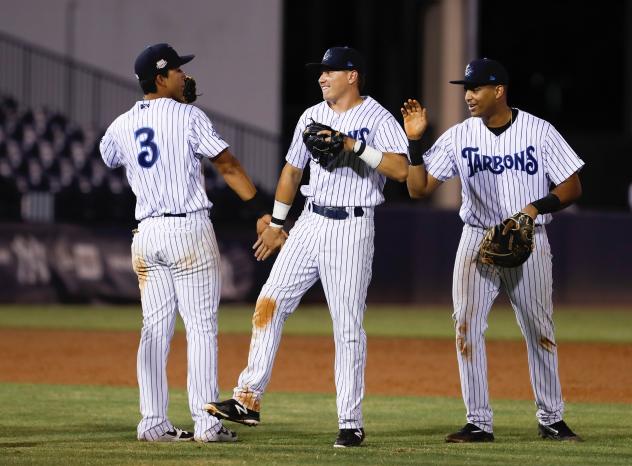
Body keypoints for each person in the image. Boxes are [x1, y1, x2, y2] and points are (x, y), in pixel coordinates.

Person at [204, 46, 409, 448]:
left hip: (352, 225)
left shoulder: (378, 117)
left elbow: (401, 170)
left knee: (347, 328)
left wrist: (353, 145)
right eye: (320, 72)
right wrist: (278, 223)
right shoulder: (311, 115)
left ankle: (350, 422)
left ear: (352, 75)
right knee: (269, 302)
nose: (321, 77)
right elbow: (293, 170)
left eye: (330, 71)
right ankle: (248, 399)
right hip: (310, 220)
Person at [402, 58, 584, 442]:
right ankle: (478, 422)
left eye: (476, 88)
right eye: (465, 89)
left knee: (539, 329)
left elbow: (571, 187)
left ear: (498, 90)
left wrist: (533, 209)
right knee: (466, 326)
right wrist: (415, 141)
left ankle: (551, 418)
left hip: (528, 237)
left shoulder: (539, 131)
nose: (468, 96)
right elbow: (418, 189)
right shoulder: (458, 136)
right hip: (476, 237)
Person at [99, 43, 271, 443]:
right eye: (176, 71)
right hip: (188, 231)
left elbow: (107, 156)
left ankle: (152, 422)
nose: (184, 76)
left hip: (147, 235)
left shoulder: (122, 123)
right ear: (160, 78)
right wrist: (261, 210)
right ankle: (207, 423)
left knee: (153, 331)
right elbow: (226, 164)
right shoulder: (189, 115)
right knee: (201, 328)